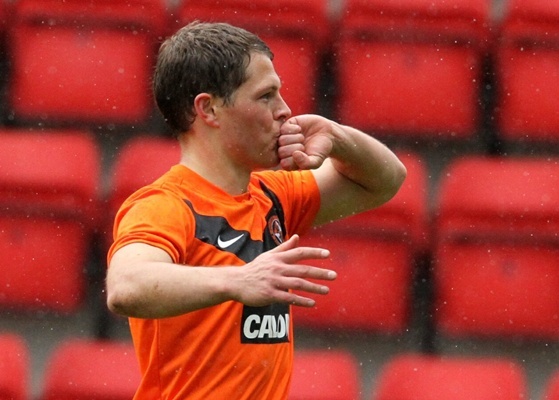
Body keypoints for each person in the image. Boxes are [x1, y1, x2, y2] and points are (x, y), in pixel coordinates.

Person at [105, 21, 406, 399]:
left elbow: (385, 181)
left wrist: (336, 136)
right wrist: (238, 280)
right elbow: (124, 287)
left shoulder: (273, 194)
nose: (285, 111)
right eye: (266, 96)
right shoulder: (166, 204)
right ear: (209, 109)